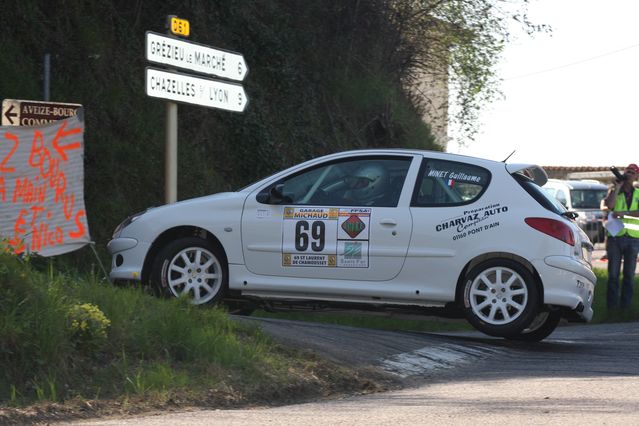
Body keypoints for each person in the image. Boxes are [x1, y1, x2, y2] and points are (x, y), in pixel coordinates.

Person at [602, 163, 639, 309]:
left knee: (629, 276)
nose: (628, 174)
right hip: (615, 237)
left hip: (633, 238)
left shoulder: (638, 193)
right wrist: (617, 187)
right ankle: (612, 308)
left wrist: (625, 213)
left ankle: (625, 308)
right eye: (627, 171)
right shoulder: (614, 190)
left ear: (636, 176)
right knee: (613, 276)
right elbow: (610, 205)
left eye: (632, 172)